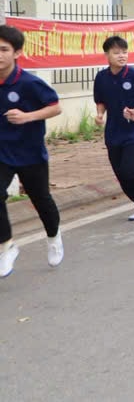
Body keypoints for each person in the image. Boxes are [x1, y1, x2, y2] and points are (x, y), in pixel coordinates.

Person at [0, 25, 64, 276]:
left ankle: (54, 237)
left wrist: (28, 117)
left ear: (17, 53)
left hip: (30, 153)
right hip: (2, 152)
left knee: (41, 200)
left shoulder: (29, 83)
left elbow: (55, 107)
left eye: (4, 49)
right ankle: (6, 245)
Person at [93, 35, 134, 221]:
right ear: (107, 55)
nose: (122, 55)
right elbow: (101, 100)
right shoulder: (102, 77)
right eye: (116, 52)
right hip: (113, 130)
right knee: (120, 173)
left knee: (129, 169)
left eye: (124, 52)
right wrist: (99, 115)